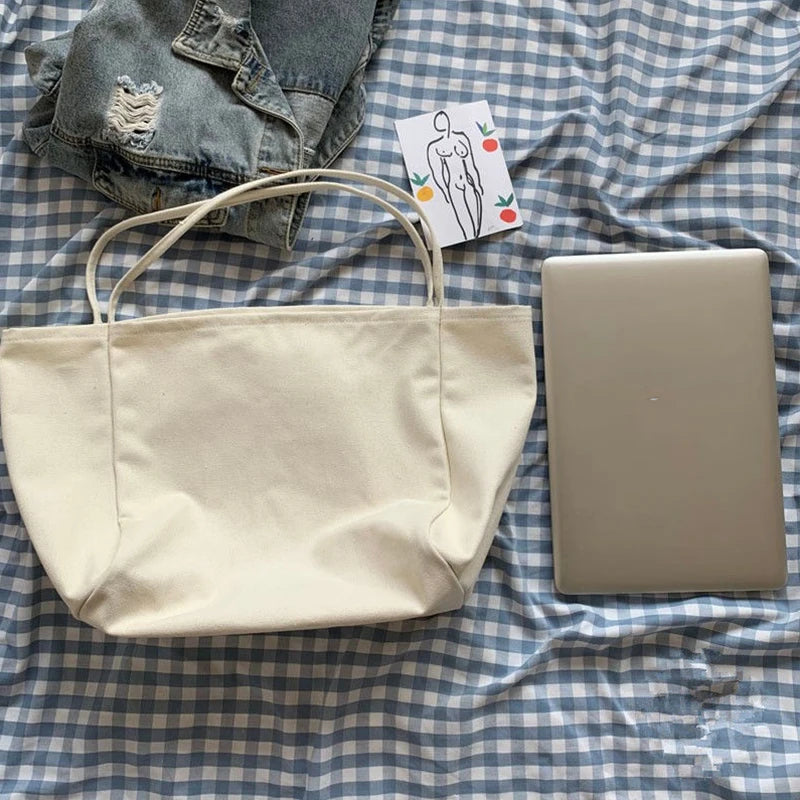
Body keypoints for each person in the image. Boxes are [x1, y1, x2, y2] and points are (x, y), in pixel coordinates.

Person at [426, 111, 484, 239]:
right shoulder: (434, 147)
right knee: (462, 213)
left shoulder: (461, 138)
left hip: (467, 181)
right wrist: (445, 191)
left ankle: (476, 234)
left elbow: (471, 164)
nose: (442, 122)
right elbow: (437, 173)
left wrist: (477, 183)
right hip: (453, 184)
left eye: (444, 119)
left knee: (476, 214)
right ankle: (468, 236)